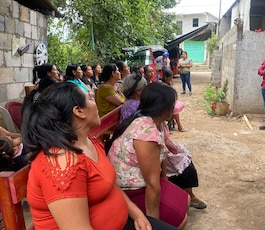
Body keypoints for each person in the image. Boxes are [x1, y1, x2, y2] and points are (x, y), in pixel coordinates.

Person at [21, 82, 176, 230]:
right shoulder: (62, 163)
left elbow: (111, 186)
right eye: (90, 98)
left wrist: (137, 215)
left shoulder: (91, 143)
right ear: (79, 111)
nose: (95, 104)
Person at [106, 82, 189, 229]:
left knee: (186, 200)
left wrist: (165, 181)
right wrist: (154, 222)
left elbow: (161, 158)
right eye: (172, 103)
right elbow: (151, 183)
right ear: (163, 107)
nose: (174, 107)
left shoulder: (157, 122)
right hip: (128, 189)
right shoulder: (146, 132)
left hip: (143, 180)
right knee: (181, 220)